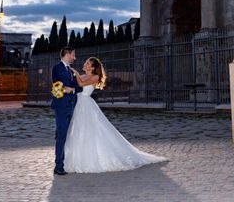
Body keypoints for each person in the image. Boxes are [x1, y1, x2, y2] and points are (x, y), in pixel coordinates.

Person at [63, 57, 167, 173]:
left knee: (93, 130)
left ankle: (94, 158)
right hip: (79, 104)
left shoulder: (95, 77)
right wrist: (66, 87)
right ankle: (77, 158)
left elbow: (82, 83)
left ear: (92, 67)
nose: (85, 63)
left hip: (87, 105)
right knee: (79, 130)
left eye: (88, 63)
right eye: (86, 62)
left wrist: (76, 73)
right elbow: (76, 87)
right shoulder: (83, 75)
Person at [51, 47, 81, 176]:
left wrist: (73, 89)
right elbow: (65, 84)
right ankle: (59, 166)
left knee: (67, 135)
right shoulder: (57, 68)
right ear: (68, 54)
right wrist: (73, 87)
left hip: (72, 105)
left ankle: (65, 162)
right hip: (62, 106)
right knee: (62, 135)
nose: (75, 57)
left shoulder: (70, 70)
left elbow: (78, 87)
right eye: (73, 55)